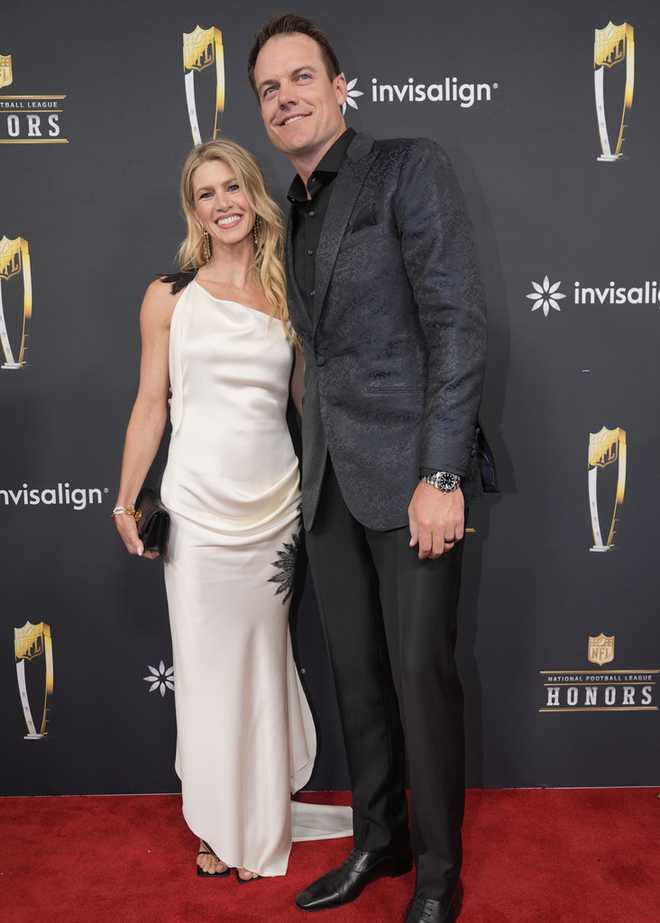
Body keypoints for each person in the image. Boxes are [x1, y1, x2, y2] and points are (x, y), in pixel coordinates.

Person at [249, 14, 496, 922]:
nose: (287, 97)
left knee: (421, 680)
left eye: (301, 78)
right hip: (328, 484)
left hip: (410, 482)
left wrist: (440, 474)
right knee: (357, 677)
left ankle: (436, 875)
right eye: (270, 89)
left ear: (341, 86)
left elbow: (458, 323)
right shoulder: (290, 211)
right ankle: (377, 841)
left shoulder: (407, 167)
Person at [113, 138, 351, 881]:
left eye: (233, 188)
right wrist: (126, 497)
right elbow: (153, 403)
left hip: (274, 504)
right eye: (206, 194)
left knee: (260, 661)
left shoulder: (288, 291)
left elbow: (307, 404)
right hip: (195, 504)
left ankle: (258, 813)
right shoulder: (169, 297)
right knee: (209, 666)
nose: (222, 203)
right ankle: (220, 822)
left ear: (254, 193)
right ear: (194, 209)